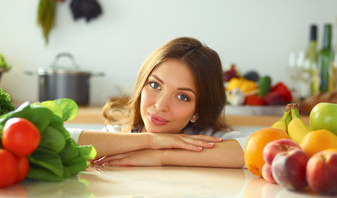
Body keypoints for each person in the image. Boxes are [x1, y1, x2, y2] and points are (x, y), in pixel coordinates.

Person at [69, 37, 245, 168]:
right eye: (155, 85)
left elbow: (254, 150)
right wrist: (150, 141)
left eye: (183, 96)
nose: (161, 105)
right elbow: (64, 140)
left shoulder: (210, 138)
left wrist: (162, 155)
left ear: (197, 110)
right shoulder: (117, 132)